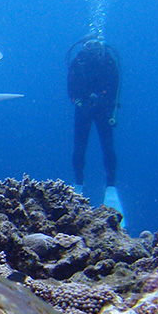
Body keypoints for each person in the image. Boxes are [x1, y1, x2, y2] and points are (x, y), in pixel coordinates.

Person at [67, 38, 125, 224]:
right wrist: (80, 101)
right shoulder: (79, 62)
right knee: (80, 148)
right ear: (84, 48)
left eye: (96, 46)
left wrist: (102, 99)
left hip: (103, 108)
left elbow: (115, 87)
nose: (93, 50)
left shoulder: (108, 62)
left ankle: (110, 188)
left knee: (107, 147)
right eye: (89, 46)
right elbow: (71, 87)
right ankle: (78, 185)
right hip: (84, 108)